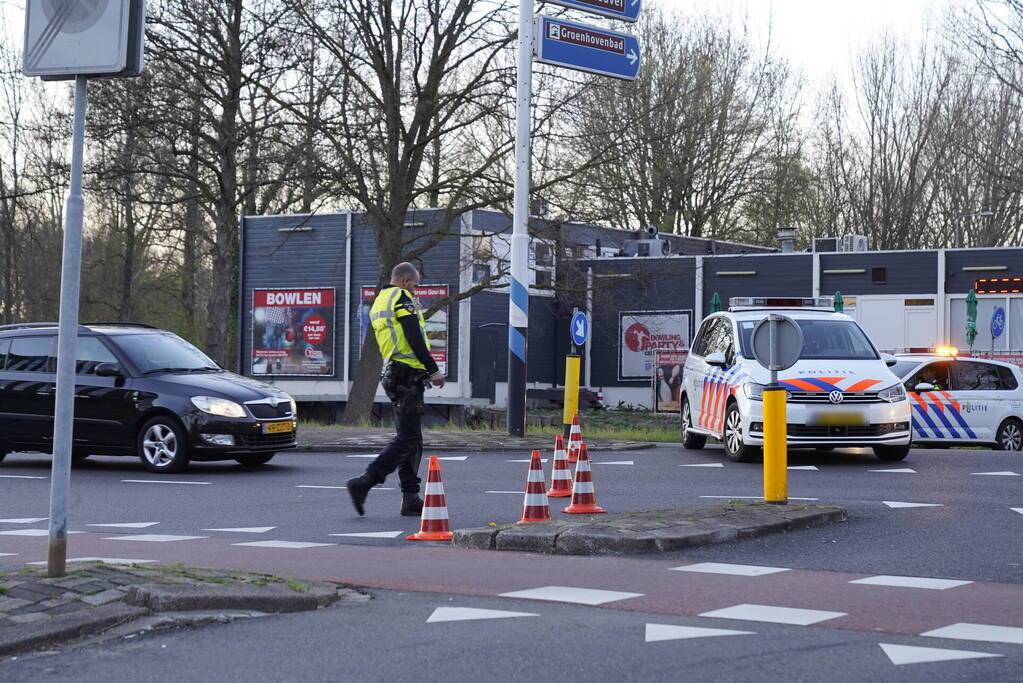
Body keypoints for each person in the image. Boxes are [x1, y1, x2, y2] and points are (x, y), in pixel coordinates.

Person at [346, 262, 446, 517]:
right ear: (403, 281)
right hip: (406, 374)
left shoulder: (381, 300)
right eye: (415, 284)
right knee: (408, 439)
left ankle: (410, 498)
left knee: (413, 440)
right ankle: (365, 482)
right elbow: (413, 336)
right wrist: (433, 370)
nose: (417, 290)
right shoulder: (401, 298)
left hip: (396, 373)